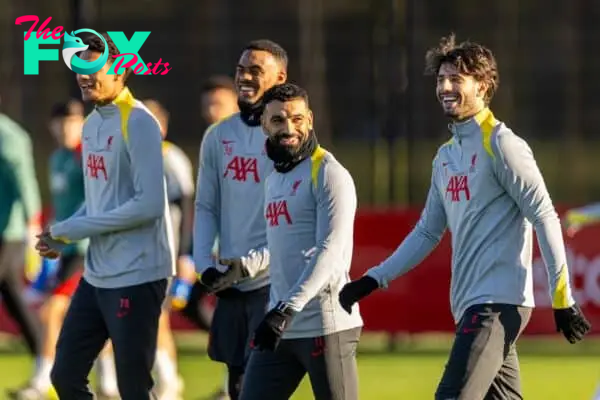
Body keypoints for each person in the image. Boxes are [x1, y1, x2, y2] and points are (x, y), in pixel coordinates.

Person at [338, 34, 592, 400]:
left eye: (456, 79)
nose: (444, 87)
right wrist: (374, 279)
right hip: (471, 305)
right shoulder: (445, 156)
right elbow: (427, 232)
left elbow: (544, 216)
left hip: (496, 305)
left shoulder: (502, 144)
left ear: (483, 86)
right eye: (441, 79)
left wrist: (562, 298)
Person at [36, 32, 174, 399]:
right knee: (65, 377)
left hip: (138, 275)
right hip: (97, 276)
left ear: (119, 69)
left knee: (132, 389)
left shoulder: (140, 122)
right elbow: (97, 202)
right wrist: (60, 233)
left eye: (94, 65)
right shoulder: (92, 124)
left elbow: (149, 205)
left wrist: (73, 228)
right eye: (79, 66)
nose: (84, 74)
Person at [239, 83, 363, 400]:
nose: (289, 128)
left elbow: (331, 251)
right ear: (264, 124)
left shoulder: (329, 173)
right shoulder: (275, 177)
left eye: (297, 119)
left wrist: (286, 309)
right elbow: (280, 244)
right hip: (280, 326)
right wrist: (242, 267)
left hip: (325, 324)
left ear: (309, 119)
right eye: (278, 120)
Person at [193, 39, 287, 400]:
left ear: (280, 77)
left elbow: (292, 224)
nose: (245, 77)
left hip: (272, 284)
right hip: (231, 285)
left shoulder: (288, 138)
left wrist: (247, 266)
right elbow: (205, 207)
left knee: (259, 386)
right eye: (240, 69)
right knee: (236, 386)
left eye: (255, 70)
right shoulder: (218, 136)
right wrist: (205, 265)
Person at [8, 100, 119, 399]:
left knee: (50, 311)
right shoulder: (57, 158)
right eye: (61, 122)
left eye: (73, 121)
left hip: (89, 249)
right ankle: (106, 382)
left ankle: (42, 381)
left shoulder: (91, 156)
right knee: (89, 315)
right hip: (66, 251)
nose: (67, 127)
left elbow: (99, 203)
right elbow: (62, 209)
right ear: (51, 125)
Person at [143, 98, 194, 400]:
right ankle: (165, 381)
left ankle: (169, 383)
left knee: (156, 316)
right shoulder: (135, 157)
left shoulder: (170, 158)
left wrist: (186, 253)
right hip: (141, 252)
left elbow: (188, 205)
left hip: (167, 251)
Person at [0, 96, 44, 360]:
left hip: (9, 233)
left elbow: (26, 184)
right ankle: (48, 363)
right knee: (14, 298)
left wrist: (32, 229)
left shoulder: (9, 137)